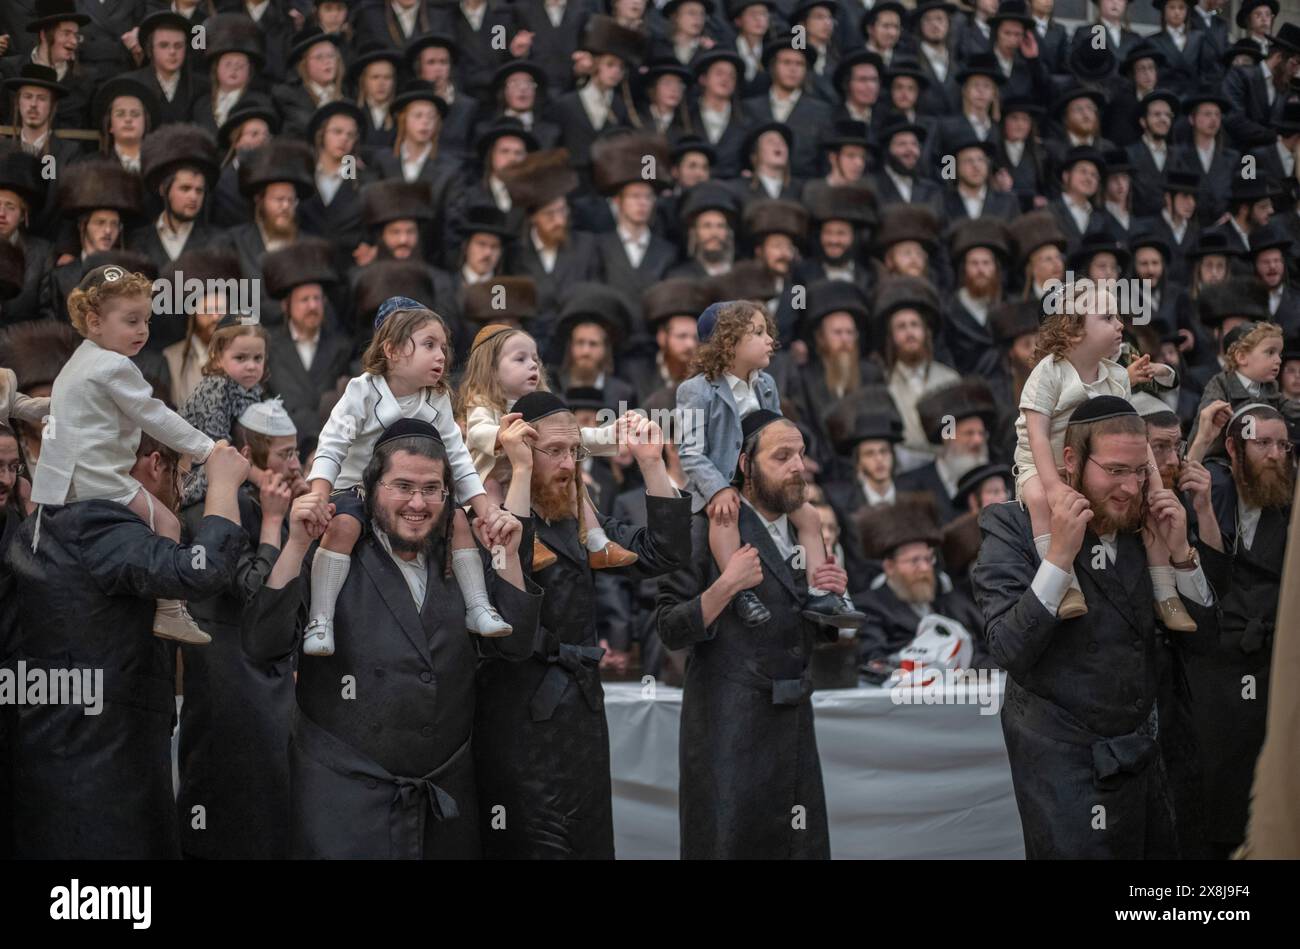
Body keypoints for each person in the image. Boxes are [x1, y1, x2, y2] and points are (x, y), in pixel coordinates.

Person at [241, 417, 541, 859]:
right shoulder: (330, 550)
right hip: (342, 806)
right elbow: (263, 645)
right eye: (402, 486)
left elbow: (514, 647)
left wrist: (509, 557)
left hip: (444, 807)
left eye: (431, 489)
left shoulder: (464, 556)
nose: (417, 503)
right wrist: (296, 546)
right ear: (371, 486)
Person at [972, 396, 1220, 859]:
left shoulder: (1144, 527)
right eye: (1114, 471)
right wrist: (1059, 557)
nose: (1130, 487)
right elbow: (1008, 648)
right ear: (1071, 460)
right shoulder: (1012, 526)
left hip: (1147, 759)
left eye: (1138, 470)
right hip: (1062, 768)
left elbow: (1205, 645)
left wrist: (1181, 552)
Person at [9, 427, 253, 859]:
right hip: (97, 784)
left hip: (78, 767)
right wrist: (224, 483)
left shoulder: (53, 518)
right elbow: (202, 569)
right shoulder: (98, 521)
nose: (181, 490)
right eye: (180, 474)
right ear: (154, 465)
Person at [473, 391, 691, 858]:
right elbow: (512, 579)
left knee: (589, 841)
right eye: (554, 450)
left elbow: (663, 554)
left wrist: (652, 464)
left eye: (575, 450)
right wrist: (524, 472)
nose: (569, 464)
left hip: (582, 714)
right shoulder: (486, 516)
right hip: (517, 714)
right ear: (518, 450)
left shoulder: (579, 521)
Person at [656, 411, 850, 858]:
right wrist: (726, 586)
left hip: (795, 722)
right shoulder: (701, 525)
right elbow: (669, 627)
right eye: (782, 456)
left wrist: (831, 599)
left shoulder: (806, 531)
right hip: (728, 728)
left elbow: (814, 634)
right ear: (745, 465)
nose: (798, 466)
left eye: (801, 454)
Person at [303, 297, 512, 654]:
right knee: (342, 527)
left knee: (459, 521)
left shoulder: (438, 398)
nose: (441, 356)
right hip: (355, 489)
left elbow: (458, 458)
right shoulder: (362, 390)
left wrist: (484, 508)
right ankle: (320, 621)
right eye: (429, 345)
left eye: (444, 348)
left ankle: (478, 607)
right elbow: (333, 443)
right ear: (393, 350)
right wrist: (320, 493)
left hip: (415, 493)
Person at [29, 264, 218, 643]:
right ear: (95, 321)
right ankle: (169, 611)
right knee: (170, 524)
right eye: (131, 321)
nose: (143, 330)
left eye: (146, 320)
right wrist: (207, 449)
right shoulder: (114, 366)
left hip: (58, 487)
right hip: (99, 481)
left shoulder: (78, 360)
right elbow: (155, 416)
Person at [1015, 282, 1192, 628]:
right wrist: (1053, 486)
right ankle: (1064, 583)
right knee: (1037, 498)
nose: (1120, 325)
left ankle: (1165, 592)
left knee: (1153, 508)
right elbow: (1036, 436)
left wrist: (1154, 484)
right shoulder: (1048, 372)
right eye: (1107, 317)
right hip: (1042, 463)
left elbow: (1135, 439)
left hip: (1096, 466)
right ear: (1074, 330)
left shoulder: (1115, 378)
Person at [676, 299, 862, 628]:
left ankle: (821, 592)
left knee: (808, 514)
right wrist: (718, 488)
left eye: (768, 332)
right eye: (758, 333)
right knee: (725, 516)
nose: (770, 341)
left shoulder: (766, 384)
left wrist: (785, 469)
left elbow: (778, 434)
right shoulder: (696, 391)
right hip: (719, 481)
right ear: (729, 342)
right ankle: (740, 592)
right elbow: (690, 451)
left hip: (761, 478)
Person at [176, 398, 304, 860]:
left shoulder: (274, 499)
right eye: (284, 455)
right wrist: (273, 522)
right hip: (226, 675)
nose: (295, 464)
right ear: (248, 456)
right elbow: (254, 591)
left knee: (273, 801)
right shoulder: (207, 511)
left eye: (296, 452)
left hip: (268, 673)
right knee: (225, 798)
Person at [1187, 403, 1293, 857]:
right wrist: (1198, 439)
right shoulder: (1210, 492)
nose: (1275, 454)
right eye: (1262, 443)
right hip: (1214, 669)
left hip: (1273, 665)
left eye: (1283, 445)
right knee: (1214, 797)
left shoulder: (1290, 503)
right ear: (1232, 447)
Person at [456, 321, 635, 568]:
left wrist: (612, 435)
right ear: (492, 369)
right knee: (492, 488)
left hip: (534, 477)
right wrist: (502, 434)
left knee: (573, 483)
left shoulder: (542, 404)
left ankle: (598, 542)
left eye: (535, 359)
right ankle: (525, 543)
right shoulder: (483, 402)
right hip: (495, 474)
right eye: (520, 359)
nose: (532, 365)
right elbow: (476, 432)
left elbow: (576, 437)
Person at [852, 493, 989, 679]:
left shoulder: (946, 604)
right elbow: (875, 659)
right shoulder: (869, 606)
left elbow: (972, 652)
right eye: (914, 561)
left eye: (928, 559)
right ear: (889, 567)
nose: (925, 568)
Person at [178, 317, 270, 507]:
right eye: (240, 358)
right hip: (194, 475)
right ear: (218, 357)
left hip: (236, 470)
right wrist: (260, 477)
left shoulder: (252, 390)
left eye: (258, 358)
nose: (251, 366)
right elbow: (218, 452)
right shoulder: (215, 388)